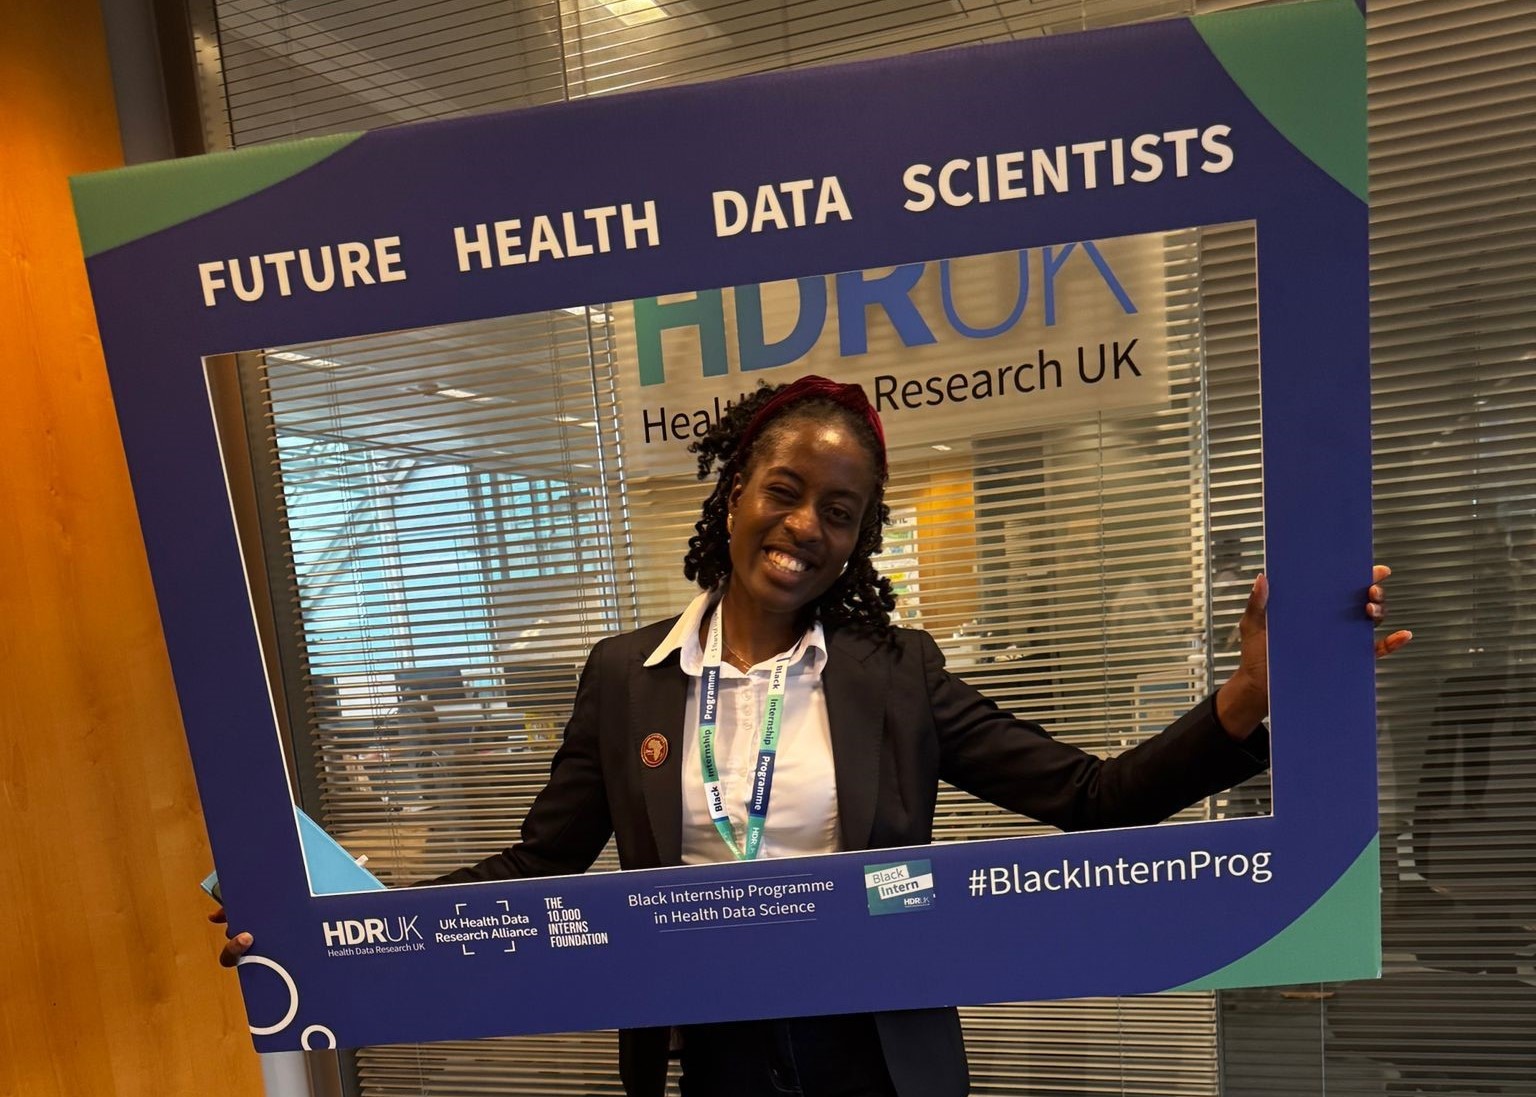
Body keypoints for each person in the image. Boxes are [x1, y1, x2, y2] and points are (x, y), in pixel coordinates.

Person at [215, 375, 1410, 1096]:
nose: (805, 526)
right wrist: (349, 926)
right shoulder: (626, 677)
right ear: (735, 487)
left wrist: (1246, 699)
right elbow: (540, 864)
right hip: (705, 1059)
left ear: (860, 538)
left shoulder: (896, 675)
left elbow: (1093, 797)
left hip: (875, 1058)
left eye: (841, 511)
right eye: (784, 489)